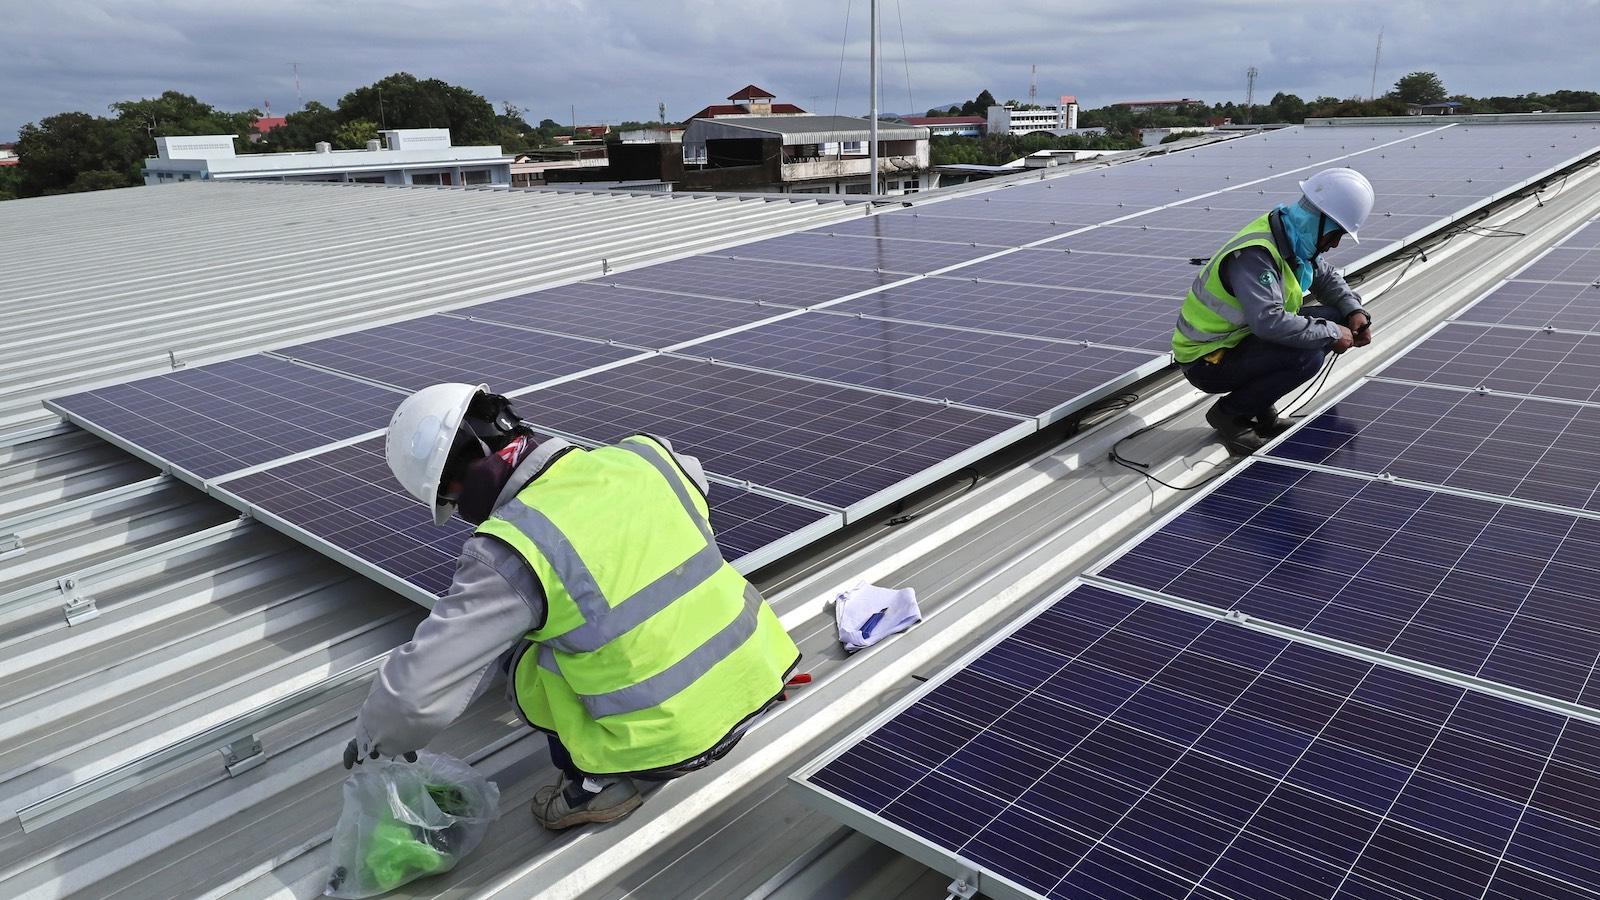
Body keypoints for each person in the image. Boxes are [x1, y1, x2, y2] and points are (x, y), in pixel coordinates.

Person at [343, 384, 801, 831]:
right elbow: (695, 487)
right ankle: (730, 687)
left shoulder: (512, 549)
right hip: (761, 676)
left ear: (459, 480)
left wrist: (374, 741)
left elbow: (416, 693)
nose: (461, 509)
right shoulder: (647, 457)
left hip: (668, 743)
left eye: (452, 498)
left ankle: (595, 783)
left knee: (522, 650)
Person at [1173, 167, 1377, 454]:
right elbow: (1269, 322)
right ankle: (1229, 414)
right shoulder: (1255, 254)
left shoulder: (1293, 237)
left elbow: (1325, 277)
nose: (1334, 244)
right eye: (1335, 235)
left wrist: (1354, 312)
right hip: (1207, 360)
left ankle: (1260, 408)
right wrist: (1332, 333)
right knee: (1307, 356)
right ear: (1318, 220)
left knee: (1333, 319)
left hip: (1238, 343)